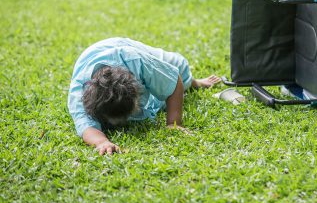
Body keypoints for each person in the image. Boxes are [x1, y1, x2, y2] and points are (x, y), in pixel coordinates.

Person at [67, 37, 221, 155]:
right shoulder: (78, 94)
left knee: (180, 68)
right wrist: (102, 142)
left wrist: (174, 123)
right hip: (95, 53)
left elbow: (174, 80)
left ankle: (194, 82)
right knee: (160, 101)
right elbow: (85, 126)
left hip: (127, 49)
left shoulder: (137, 61)